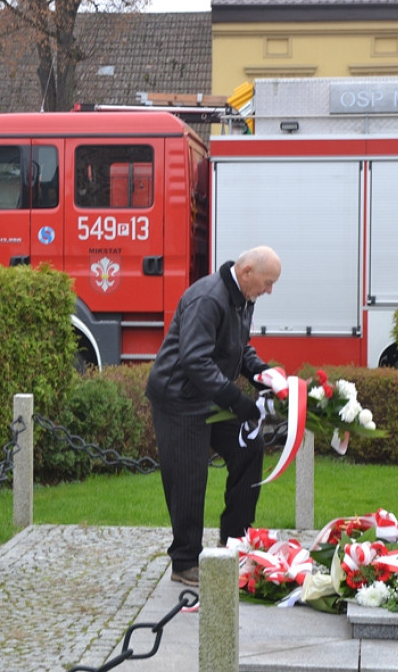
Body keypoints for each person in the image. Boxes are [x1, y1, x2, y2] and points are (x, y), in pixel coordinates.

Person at [145, 245, 282, 588]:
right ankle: (185, 561)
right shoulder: (209, 298)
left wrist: (265, 376)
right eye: (267, 282)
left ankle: (233, 542)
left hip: (207, 396)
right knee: (189, 478)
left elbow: (239, 348)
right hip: (179, 398)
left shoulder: (241, 297)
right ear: (247, 271)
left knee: (249, 450)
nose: (269, 291)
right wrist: (240, 402)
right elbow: (195, 362)